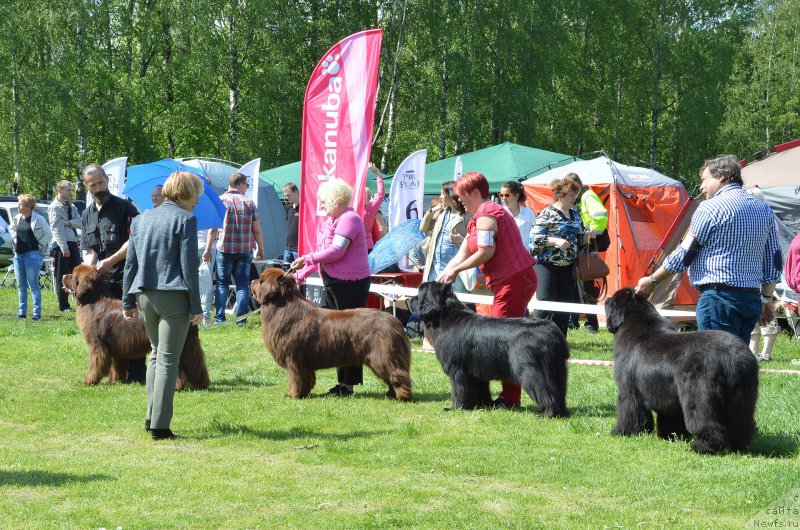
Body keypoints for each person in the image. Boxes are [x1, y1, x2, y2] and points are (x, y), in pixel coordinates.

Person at [635, 155, 782, 345]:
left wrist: (652, 280)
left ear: (721, 176)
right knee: (737, 365)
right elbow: (774, 259)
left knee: (716, 367)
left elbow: (685, 254)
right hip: (750, 300)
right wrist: (766, 298)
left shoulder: (709, 208)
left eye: (704, 180)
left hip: (718, 301)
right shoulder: (763, 209)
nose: (701, 186)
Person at [436, 172, 537, 409]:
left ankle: (510, 399)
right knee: (501, 337)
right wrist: (443, 275)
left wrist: (456, 271)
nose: (458, 200)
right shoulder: (476, 218)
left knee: (504, 340)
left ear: (474, 192)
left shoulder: (489, 213)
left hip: (515, 280)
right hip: (506, 282)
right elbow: (464, 251)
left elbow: (485, 252)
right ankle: (488, 396)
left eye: (461, 195)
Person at [123, 171, 204, 440]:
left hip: (144, 295)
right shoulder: (186, 220)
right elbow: (189, 267)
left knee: (157, 356)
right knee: (168, 360)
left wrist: (127, 299)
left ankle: (151, 417)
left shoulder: (141, 219)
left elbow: (130, 264)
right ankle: (160, 426)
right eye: (196, 195)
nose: (197, 201)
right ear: (184, 193)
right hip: (174, 297)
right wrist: (196, 306)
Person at [292, 178, 371, 397]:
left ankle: (349, 385)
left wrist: (306, 259)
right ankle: (341, 383)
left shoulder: (350, 219)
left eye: (324, 201)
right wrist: (301, 274)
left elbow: (336, 252)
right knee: (335, 335)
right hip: (334, 284)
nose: (321, 205)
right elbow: (322, 255)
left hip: (351, 285)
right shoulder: (331, 221)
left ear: (337, 200)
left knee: (350, 335)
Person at [81, 164, 145, 383]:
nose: (99, 188)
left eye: (101, 182)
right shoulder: (87, 214)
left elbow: (134, 241)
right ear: (86, 186)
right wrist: (87, 272)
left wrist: (111, 260)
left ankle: (138, 373)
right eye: (93, 185)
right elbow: (90, 249)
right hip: (101, 286)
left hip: (123, 277)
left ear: (107, 180)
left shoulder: (125, 208)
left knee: (132, 327)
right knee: (108, 332)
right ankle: (116, 375)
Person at [204, 172, 266, 325]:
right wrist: (261, 248)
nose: (247, 188)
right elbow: (257, 230)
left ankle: (219, 319)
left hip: (224, 250)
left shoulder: (220, 201)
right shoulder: (249, 203)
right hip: (245, 251)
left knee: (221, 284)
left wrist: (207, 249)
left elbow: (213, 229)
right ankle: (241, 321)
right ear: (240, 184)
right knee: (242, 286)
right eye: (246, 185)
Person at [529, 177, 584, 338]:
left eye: (576, 195)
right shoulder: (547, 213)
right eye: (571, 196)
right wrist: (555, 241)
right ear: (561, 196)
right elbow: (534, 240)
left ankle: (560, 341)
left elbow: (578, 238)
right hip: (547, 266)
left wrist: (587, 237)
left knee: (564, 306)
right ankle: (538, 339)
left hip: (568, 267)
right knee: (545, 303)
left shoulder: (575, 214)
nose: (575, 198)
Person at [564, 172, 608, 333]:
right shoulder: (581, 196)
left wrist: (591, 234)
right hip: (579, 245)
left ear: (577, 186)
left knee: (586, 287)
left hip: (586, 246)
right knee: (575, 286)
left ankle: (591, 324)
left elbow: (601, 215)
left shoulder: (588, 196)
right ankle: (572, 322)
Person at [421, 181, 470, 292]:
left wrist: (462, 240)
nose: (440, 196)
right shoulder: (441, 213)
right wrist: (432, 210)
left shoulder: (466, 215)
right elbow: (423, 227)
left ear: (451, 194)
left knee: (456, 303)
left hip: (456, 271)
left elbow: (474, 242)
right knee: (436, 301)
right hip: (435, 267)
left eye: (443, 193)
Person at [10, 194, 52, 320]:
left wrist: (38, 244)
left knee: (33, 285)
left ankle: (36, 313)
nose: (18, 206)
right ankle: (22, 312)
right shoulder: (17, 218)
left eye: (20, 204)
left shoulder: (38, 219)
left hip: (32, 255)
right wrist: (15, 238)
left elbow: (48, 235)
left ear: (28, 207)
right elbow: (11, 228)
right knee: (21, 285)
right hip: (18, 255)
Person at [48, 180, 82, 312]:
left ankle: (79, 301)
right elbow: (56, 228)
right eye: (68, 189)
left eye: (71, 189)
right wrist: (63, 247)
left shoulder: (71, 206)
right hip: (62, 245)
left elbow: (79, 222)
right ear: (60, 190)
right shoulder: (54, 207)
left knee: (77, 274)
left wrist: (67, 222)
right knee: (62, 275)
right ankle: (63, 305)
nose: (70, 192)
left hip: (73, 242)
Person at [499, 180, 536, 251]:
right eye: (501, 195)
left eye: (507, 195)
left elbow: (535, 236)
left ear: (516, 196)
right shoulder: (499, 213)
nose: (503, 198)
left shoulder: (529, 213)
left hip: (526, 257)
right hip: (506, 257)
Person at [363, 163, 386, 252]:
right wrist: (378, 174)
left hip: (352, 247)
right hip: (367, 246)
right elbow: (380, 194)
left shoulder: (350, 208)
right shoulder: (370, 209)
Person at [282, 182, 300, 263]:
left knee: (300, 274)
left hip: (299, 248)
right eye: (285, 195)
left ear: (295, 191)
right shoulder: (288, 208)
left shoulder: (304, 207)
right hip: (288, 247)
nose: (286, 197)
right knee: (286, 274)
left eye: (288, 195)